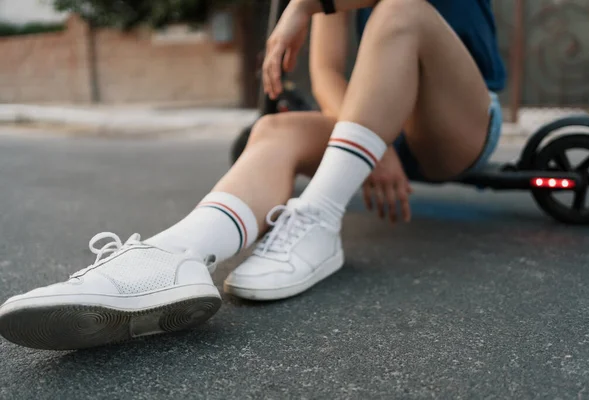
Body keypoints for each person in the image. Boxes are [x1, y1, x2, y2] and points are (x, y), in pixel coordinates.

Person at [0, 0, 505, 350]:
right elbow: (327, 73)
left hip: (454, 122)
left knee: (402, 11)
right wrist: (371, 140)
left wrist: (305, 5)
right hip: (380, 124)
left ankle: (320, 217)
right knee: (274, 129)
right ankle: (175, 254)